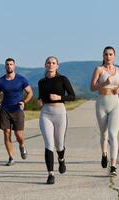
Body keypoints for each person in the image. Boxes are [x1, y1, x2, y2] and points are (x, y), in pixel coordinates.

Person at [37, 56, 75, 184]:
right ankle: (50, 174)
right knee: (49, 144)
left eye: (53, 63)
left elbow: (72, 96)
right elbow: (41, 97)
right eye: (48, 63)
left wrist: (59, 97)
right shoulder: (41, 82)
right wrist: (39, 100)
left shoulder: (62, 79)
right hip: (45, 113)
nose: (51, 65)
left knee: (59, 145)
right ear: (45, 65)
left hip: (60, 113)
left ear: (57, 65)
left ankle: (61, 159)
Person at [0, 58, 33, 166]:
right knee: (7, 133)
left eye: (11, 64)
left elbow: (30, 93)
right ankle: (11, 157)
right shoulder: (0, 81)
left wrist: (24, 102)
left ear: (14, 66)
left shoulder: (21, 79)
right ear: (5, 67)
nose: (9, 66)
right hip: (5, 110)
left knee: (18, 135)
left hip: (17, 110)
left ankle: (22, 146)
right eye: (7, 64)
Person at [90, 46, 119, 176]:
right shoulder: (99, 69)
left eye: (110, 54)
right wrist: (104, 83)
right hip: (102, 103)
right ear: (103, 56)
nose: (108, 57)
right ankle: (104, 154)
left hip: (115, 103)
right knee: (104, 134)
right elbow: (92, 87)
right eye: (106, 54)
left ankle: (113, 165)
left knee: (113, 134)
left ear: (114, 56)